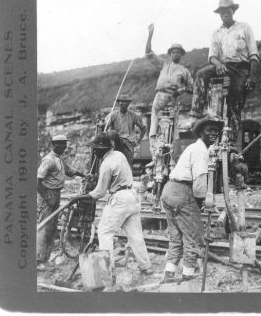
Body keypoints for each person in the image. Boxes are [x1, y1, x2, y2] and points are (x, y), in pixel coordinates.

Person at [73, 133, 153, 275]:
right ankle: (146, 267)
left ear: (102, 148)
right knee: (136, 236)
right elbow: (116, 174)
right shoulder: (119, 155)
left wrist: (81, 197)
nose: (94, 152)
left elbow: (99, 192)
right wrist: (97, 177)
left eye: (96, 149)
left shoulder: (106, 163)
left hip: (119, 199)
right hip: (132, 196)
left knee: (105, 232)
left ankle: (107, 271)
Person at [160, 116, 223, 281]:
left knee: (175, 236)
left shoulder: (193, 148)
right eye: (209, 130)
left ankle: (169, 272)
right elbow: (200, 183)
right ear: (201, 132)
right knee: (193, 235)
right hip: (182, 191)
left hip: (169, 190)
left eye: (216, 131)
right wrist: (206, 202)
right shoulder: (201, 150)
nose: (213, 134)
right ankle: (188, 275)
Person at [191, 0, 260, 140]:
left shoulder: (244, 27)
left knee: (235, 101)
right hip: (223, 66)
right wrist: (219, 64)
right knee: (201, 74)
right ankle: (198, 113)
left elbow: (254, 55)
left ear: (233, 10)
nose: (224, 14)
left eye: (227, 10)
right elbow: (212, 56)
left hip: (241, 69)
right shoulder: (216, 33)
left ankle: (233, 137)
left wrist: (252, 76)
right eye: (221, 12)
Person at [36, 134, 86, 269]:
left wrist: (85, 175)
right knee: (45, 226)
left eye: (65, 144)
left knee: (52, 228)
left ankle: (45, 258)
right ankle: (38, 260)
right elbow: (38, 181)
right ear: (54, 145)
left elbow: (70, 171)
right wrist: (47, 197)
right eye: (61, 144)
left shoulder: (59, 159)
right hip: (47, 195)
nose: (64, 147)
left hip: (55, 194)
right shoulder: (49, 160)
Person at [145, 24, 194, 158]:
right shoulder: (163, 65)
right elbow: (148, 53)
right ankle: (155, 156)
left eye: (178, 52)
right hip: (159, 97)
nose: (175, 54)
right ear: (170, 54)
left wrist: (183, 89)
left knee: (172, 128)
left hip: (173, 99)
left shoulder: (184, 71)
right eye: (173, 52)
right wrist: (150, 34)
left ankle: (172, 157)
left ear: (181, 54)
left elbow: (193, 88)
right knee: (154, 125)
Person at [104, 94, 147, 166]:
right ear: (119, 103)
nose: (123, 104)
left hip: (129, 143)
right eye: (122, 102)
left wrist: (139, 141)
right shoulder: (113, 115)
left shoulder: (133, 115)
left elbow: (143, 128)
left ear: (128, 104)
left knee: (127, 165)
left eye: (126, 103)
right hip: (116, 142)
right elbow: (105, 127)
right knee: (115, 164)